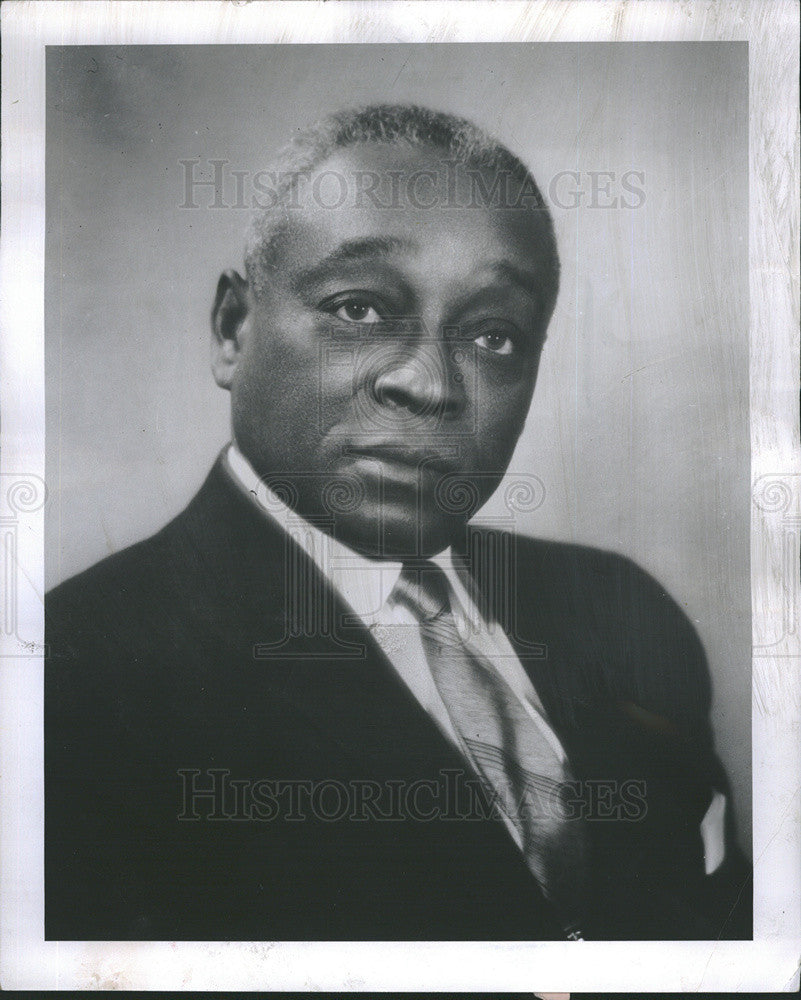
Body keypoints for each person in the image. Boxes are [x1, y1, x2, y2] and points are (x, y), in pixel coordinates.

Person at [45, 104, 751, 942]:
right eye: (358, 309)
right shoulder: (77, 678)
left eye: (493, 334)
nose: (431, 385)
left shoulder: (621, 612)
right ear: (233, 330)